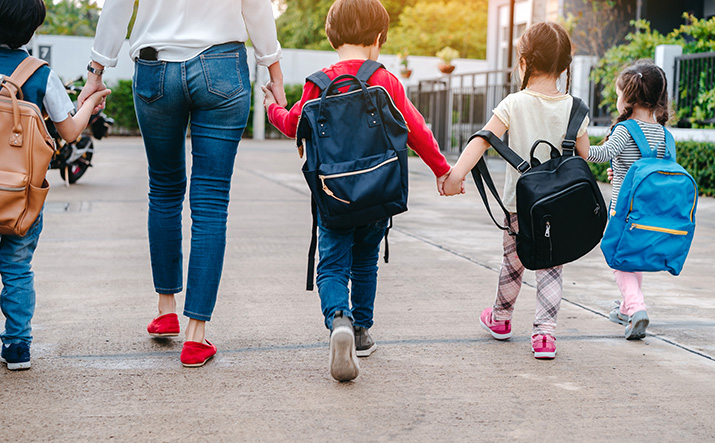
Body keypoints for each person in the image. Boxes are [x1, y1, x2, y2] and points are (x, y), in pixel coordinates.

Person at [78, 0, 286, 368]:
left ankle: (165, 309)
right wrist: (274, 70)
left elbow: (117, 7)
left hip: (155, 67)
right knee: (210, 201)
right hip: (223, 67)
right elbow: (255, 7)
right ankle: (195, 336)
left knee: (164, 190)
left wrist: (96, 72)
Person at [262, 0, 455, 381]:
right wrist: (443, 171)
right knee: (366, 260)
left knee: (332, 264)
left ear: (332, 37)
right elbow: (417, 130)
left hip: (334, 196)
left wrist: (272, 106)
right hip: (378, 193)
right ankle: (363, 333)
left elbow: (291, 125)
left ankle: (339, 321)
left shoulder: (318, 83)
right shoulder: (385, 80)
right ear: (378, 38)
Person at [443, 22, 590, 360]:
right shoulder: (575, 108)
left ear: (523, 62)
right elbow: (583, 158)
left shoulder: (513, 103)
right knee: (552, 266)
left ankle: (501, 319)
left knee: (513, 263)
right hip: (561, 208)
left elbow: (483, 139)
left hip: (519, 206)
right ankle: (545, 336)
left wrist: (456, 175)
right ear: (566, 66)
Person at [0, 0, 110, 370]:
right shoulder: (39, 74)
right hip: (20, 195)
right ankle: (17, 347)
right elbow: (69, 131)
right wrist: (91, 100)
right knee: (16, 268)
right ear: (31, 30)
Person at [586, 60, 671, 339]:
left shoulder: (624, 130)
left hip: (623, 211)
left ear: (628, 97)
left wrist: (578, 140)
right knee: (633, 257)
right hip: (651, 212)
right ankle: (625, 308)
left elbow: (598, 155)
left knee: (617, 258)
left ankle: (636, 308)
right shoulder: (663, 134)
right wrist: (620, 170)